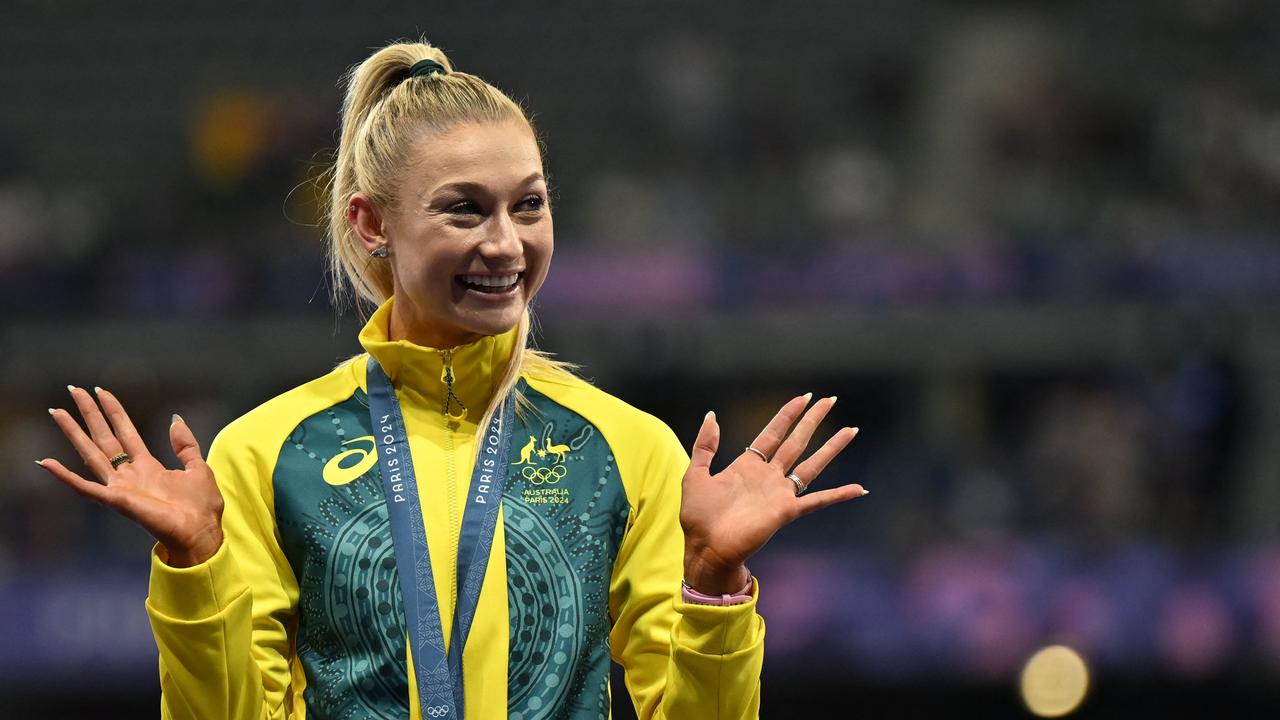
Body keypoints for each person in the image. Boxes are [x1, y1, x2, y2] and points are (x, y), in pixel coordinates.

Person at [37, 39, 866, 720]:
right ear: (371, 224)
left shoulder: (627, 448)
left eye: (529, 205)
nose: (506, 243)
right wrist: (196, 569)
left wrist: (716, 589)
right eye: (464, 209)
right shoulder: (265, 453)